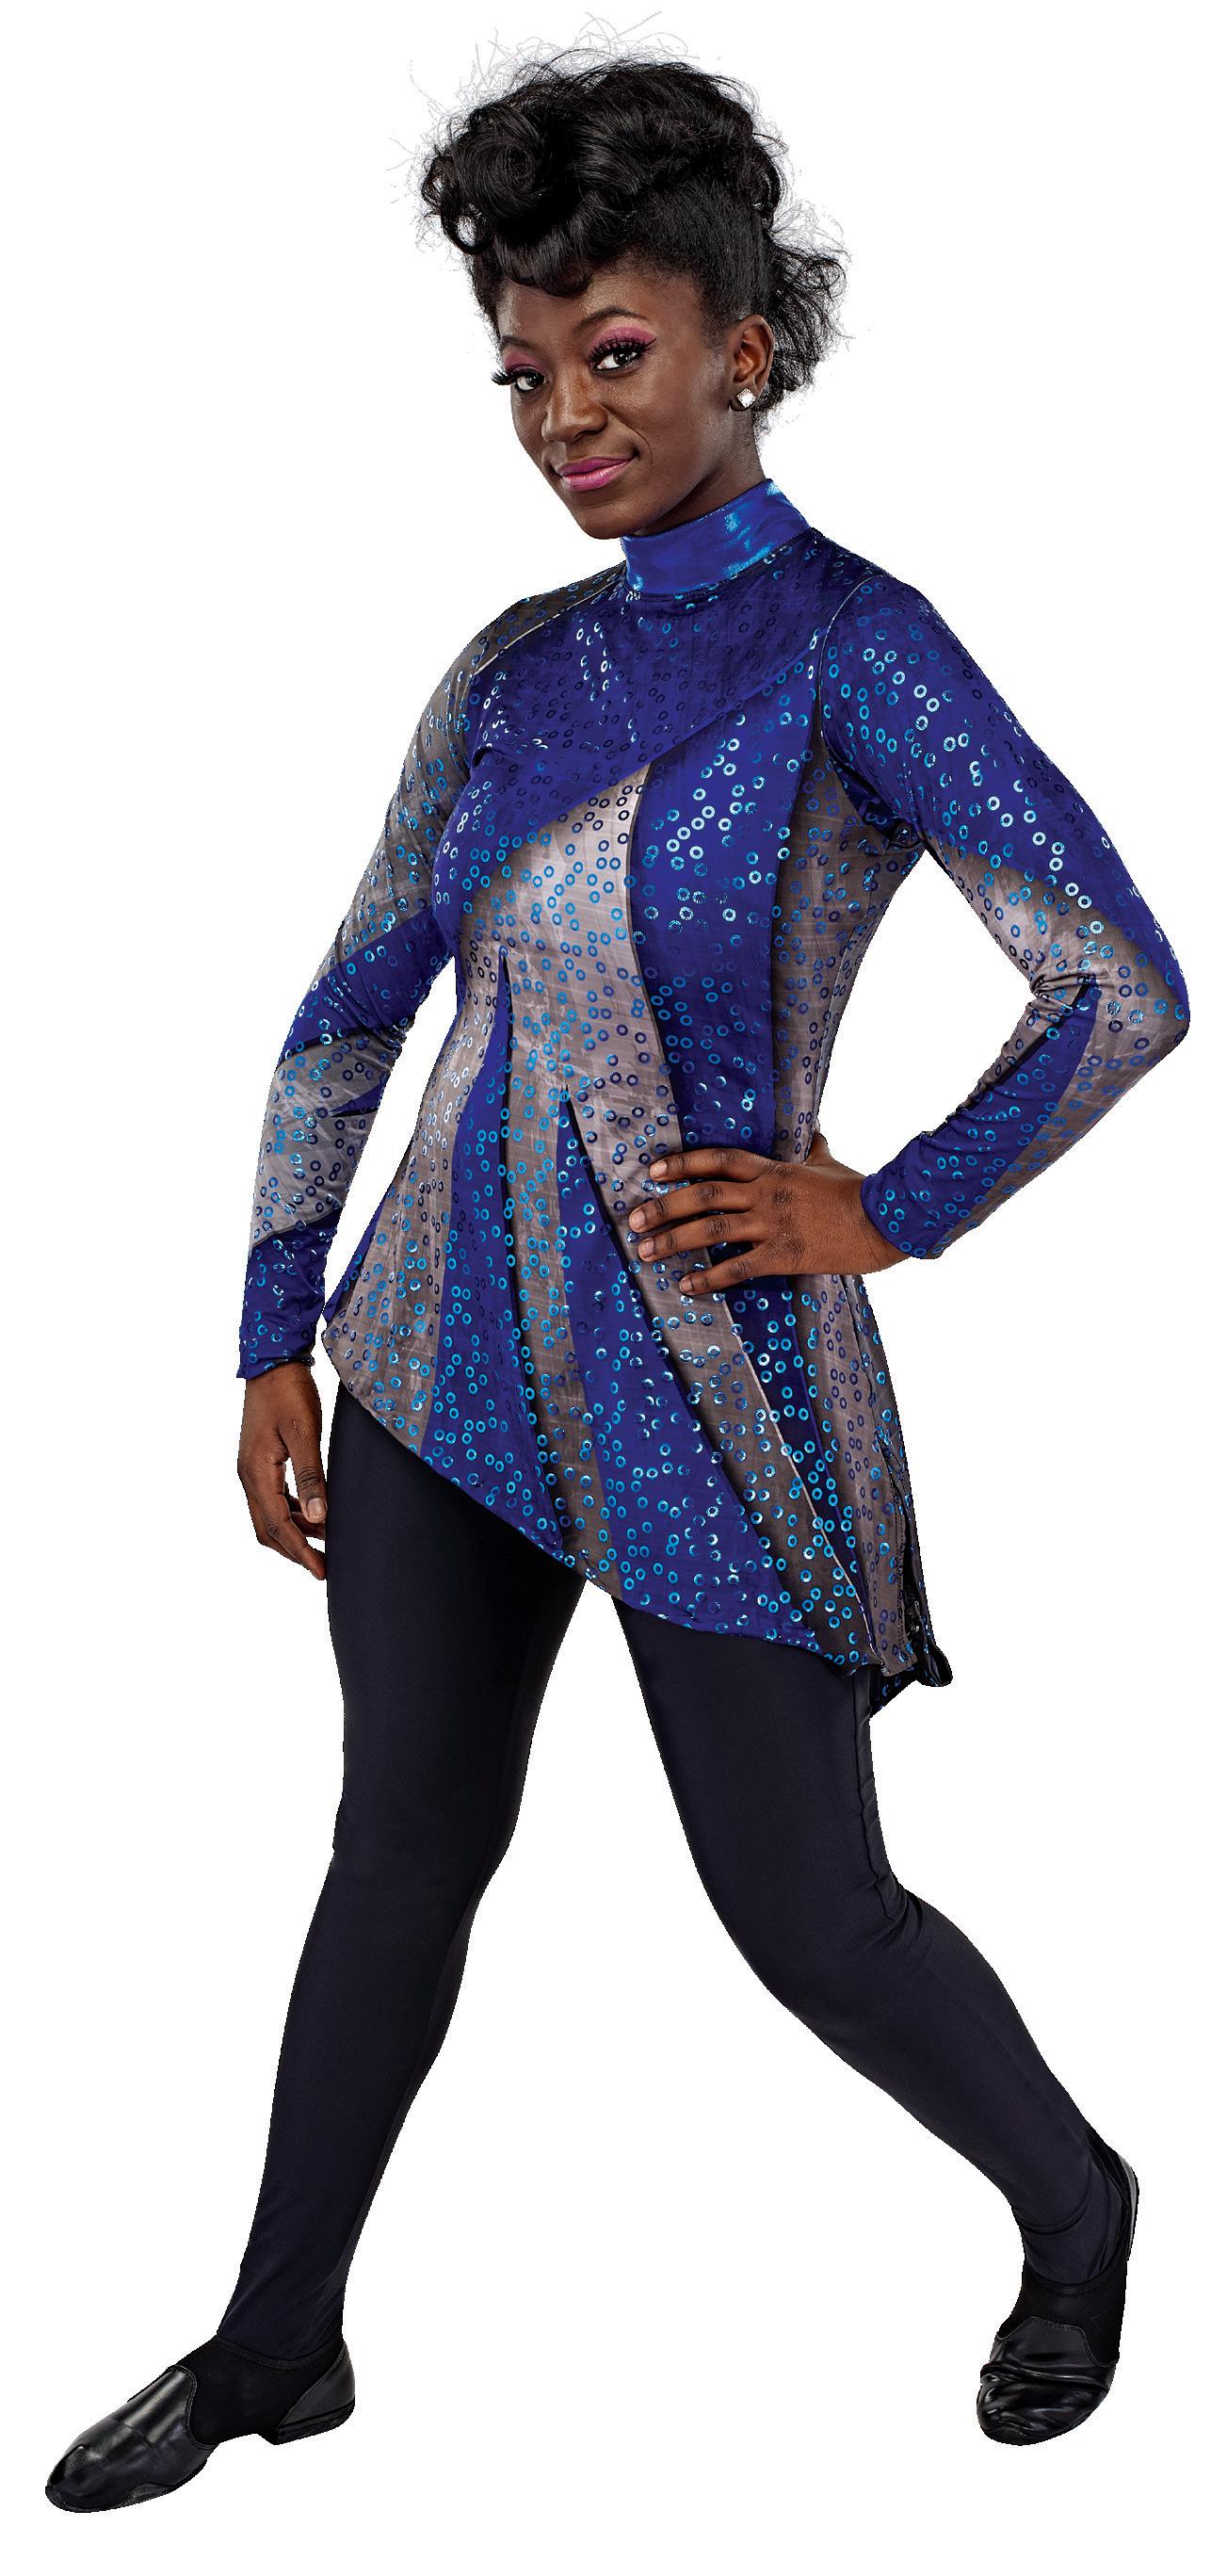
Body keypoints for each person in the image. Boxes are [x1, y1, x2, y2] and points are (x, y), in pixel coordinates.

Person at [46, 48, 1187, 2512]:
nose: (565, 418)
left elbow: (1118, 982)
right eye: (523, 373)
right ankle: (275, 2341)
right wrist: (269, 1326)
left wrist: (891, 1204)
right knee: (397, 1858)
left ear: (746, 345)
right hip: (431, 1363)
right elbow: (355, 1002)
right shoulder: (505, 671)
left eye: (617, 355)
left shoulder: (861, 650)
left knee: (809, 1918)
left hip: (709, 1382)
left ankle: (1079, 2202)